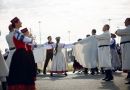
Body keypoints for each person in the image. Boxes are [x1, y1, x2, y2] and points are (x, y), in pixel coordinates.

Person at [7, 17, 36, 90]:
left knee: (24, 70)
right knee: (21, 70)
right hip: (20, 53)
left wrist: (30, 40)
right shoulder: (16, 32)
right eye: (20, 21)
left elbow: (25, 40)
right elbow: (24, 39)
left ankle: (24, 86)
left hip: (22, 53)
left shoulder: (17, 32)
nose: (21, 23)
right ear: (16, 24)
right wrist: (31, 39)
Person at [115, 18, 130, 84]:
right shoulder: (126, 29)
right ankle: (129, 74)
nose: (124, 22)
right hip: (125, 46)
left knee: (128, 61)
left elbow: (118, 32)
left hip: (128, 46)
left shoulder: (128, 28)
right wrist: (118, 31)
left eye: (125, 21)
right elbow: (119, 33)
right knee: (126, 61)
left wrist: (118, 31)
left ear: (129, 22)